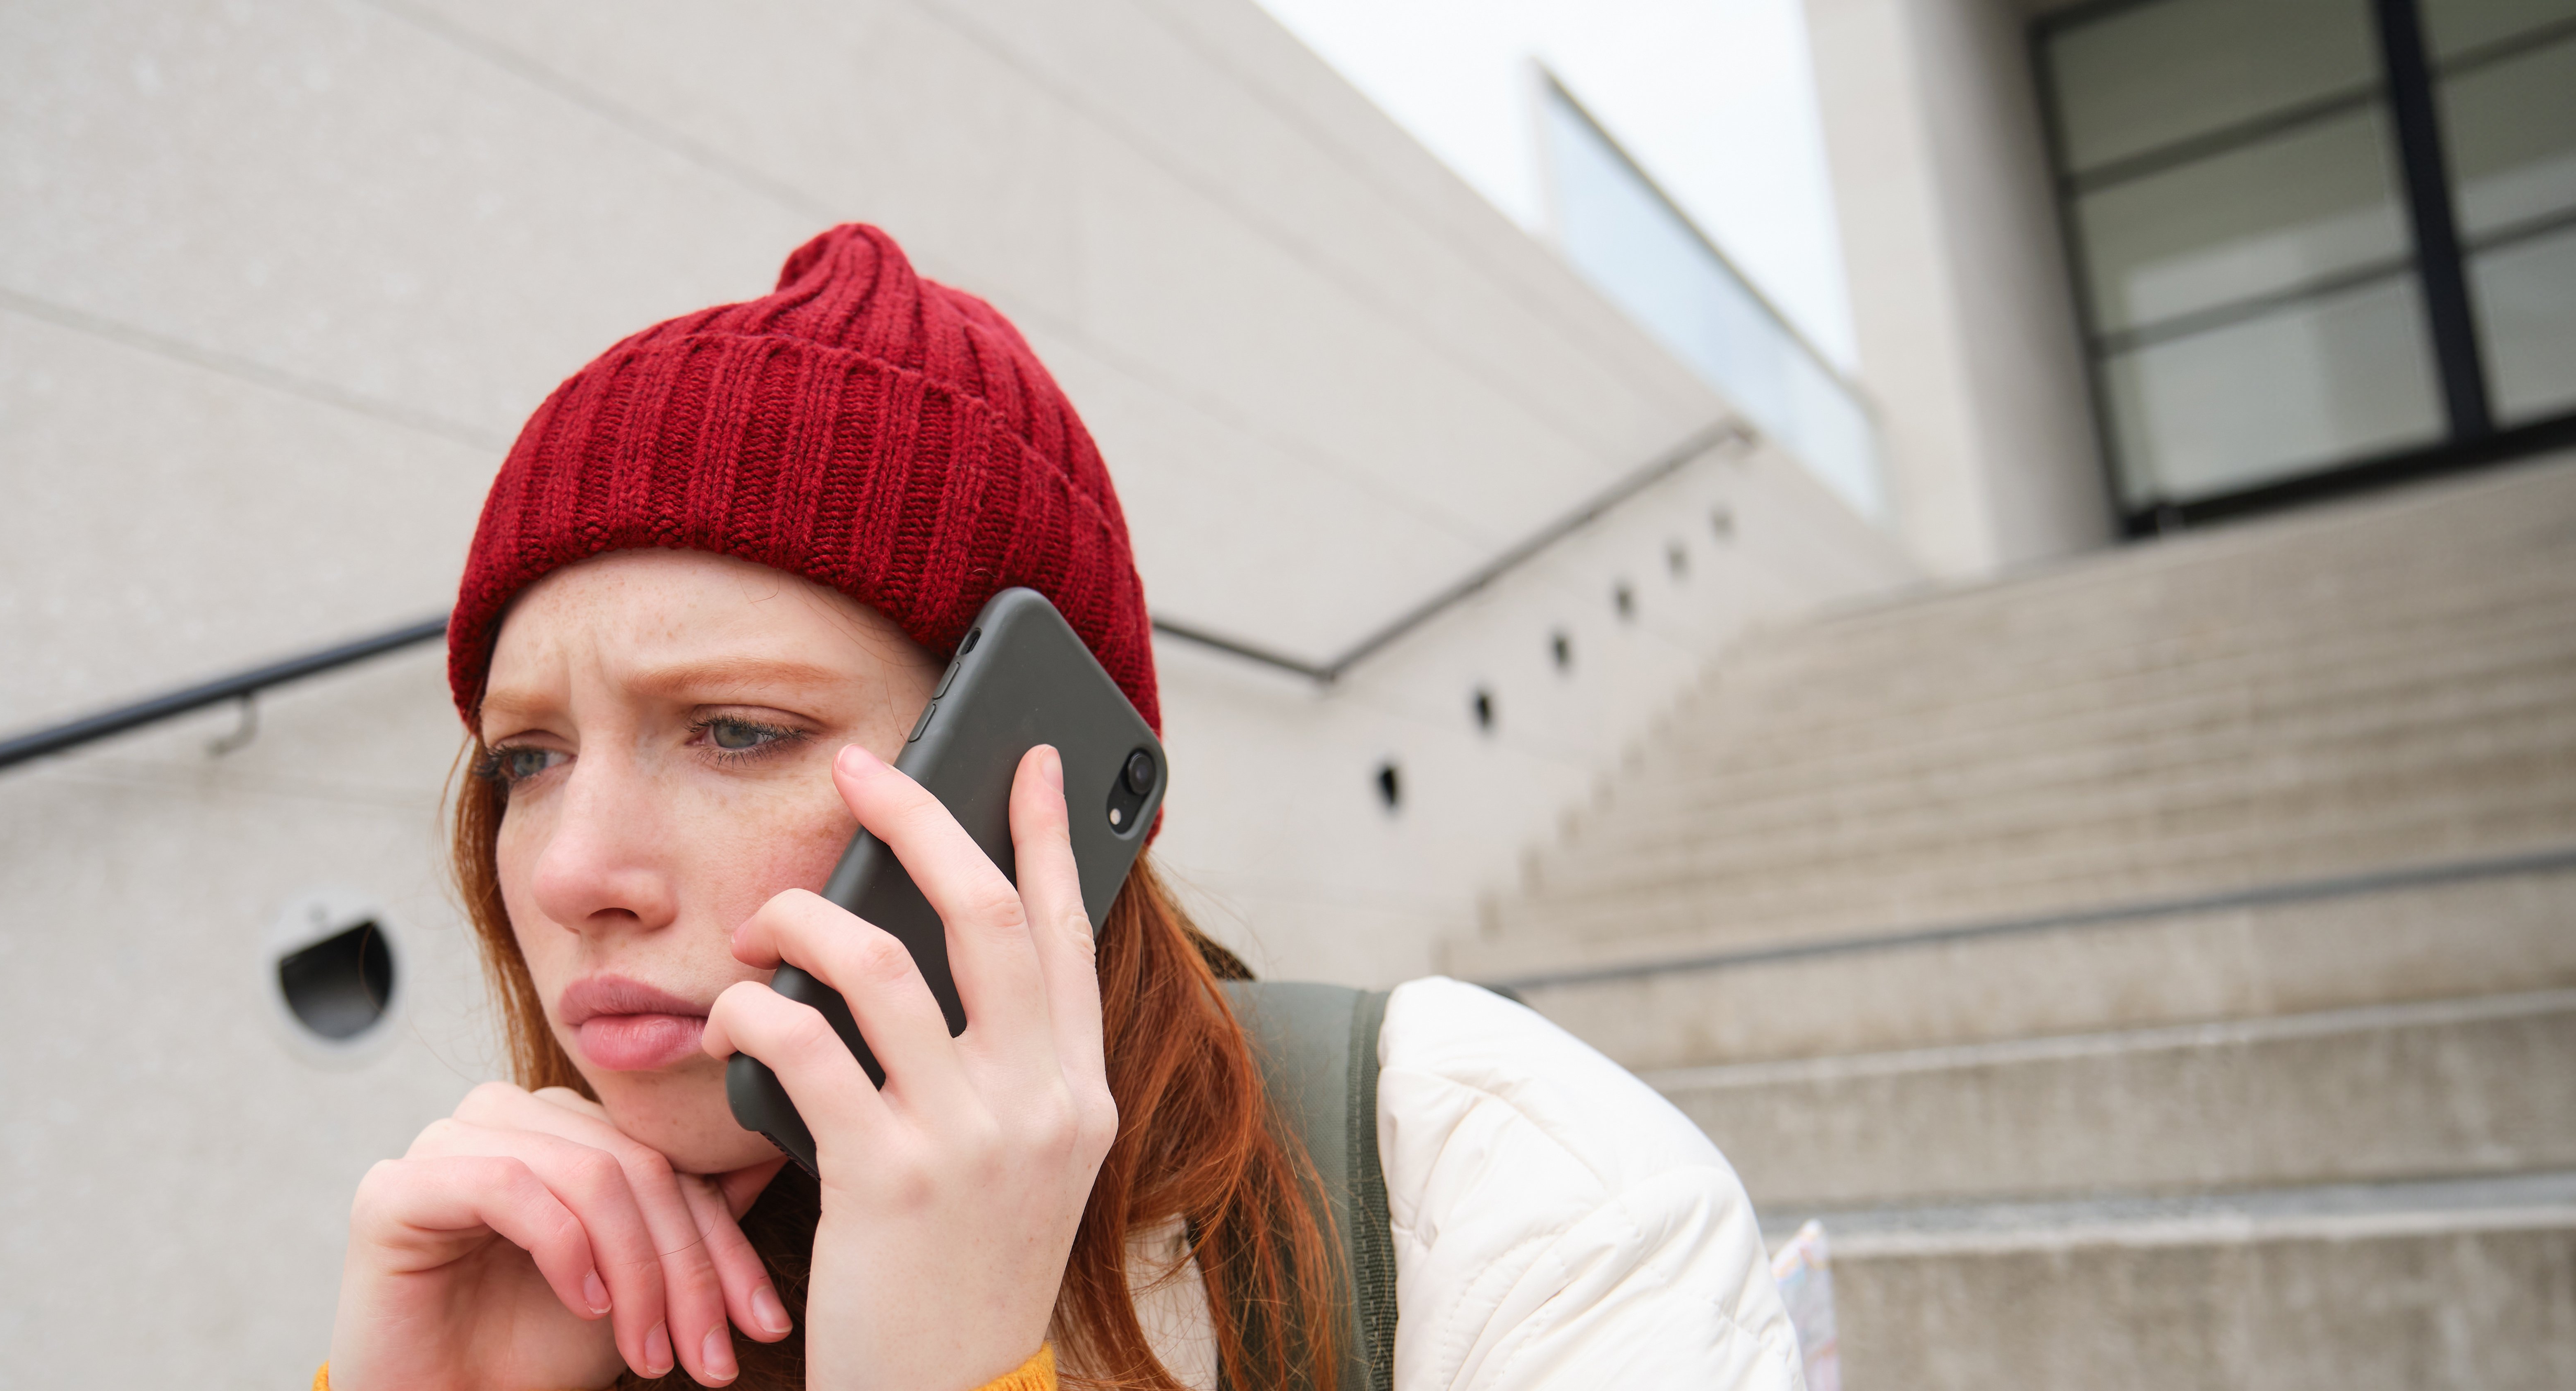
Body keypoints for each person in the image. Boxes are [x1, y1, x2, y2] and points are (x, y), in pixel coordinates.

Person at [321, 225, 1803, 1391]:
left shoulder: (1503, 1187)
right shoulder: (516, 1265)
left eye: (736, 732)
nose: (575, 871)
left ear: (1029, 770)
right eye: (525, 760)